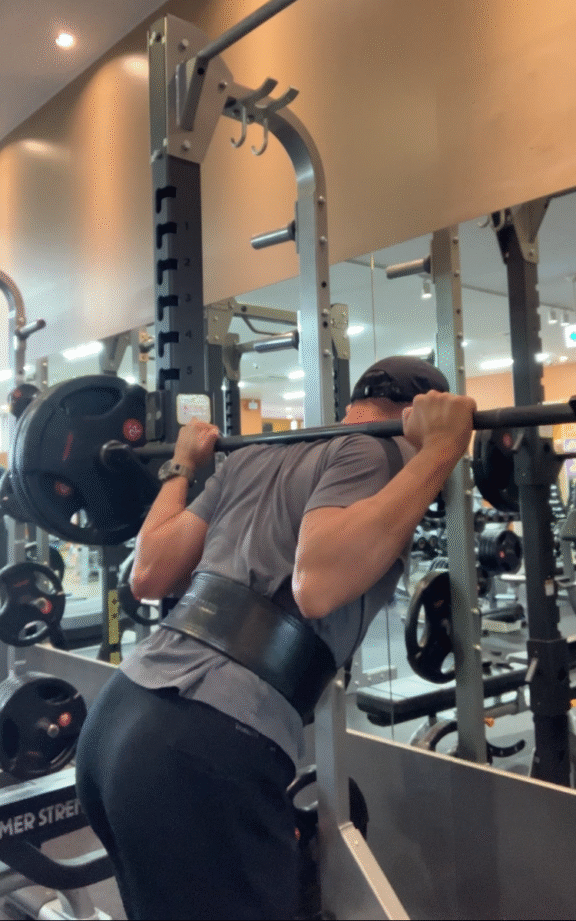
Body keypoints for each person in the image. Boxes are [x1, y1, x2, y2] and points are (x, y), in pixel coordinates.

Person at [75, 356, 476, 921]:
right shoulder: (374, 451)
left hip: (119, 719)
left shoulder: (256, 454)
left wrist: (181, 467)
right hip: (202, 748)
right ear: (417, 413)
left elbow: (150, 574)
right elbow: (317, 585)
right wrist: (440, 451)